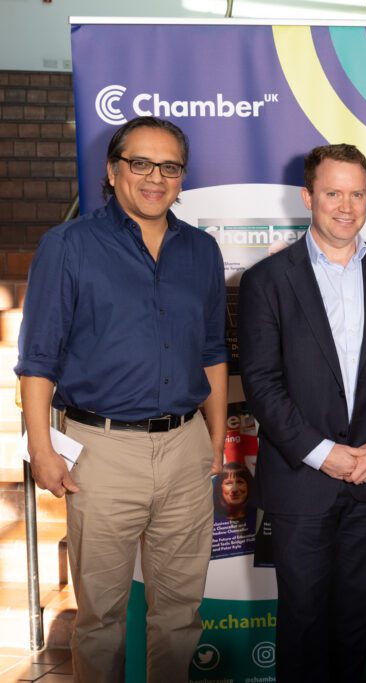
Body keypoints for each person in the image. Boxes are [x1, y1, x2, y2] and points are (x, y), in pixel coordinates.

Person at [16, 116, 228, 683]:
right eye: (140, 163)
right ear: (113, 172)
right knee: (101, 618)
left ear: (182, 178)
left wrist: (215, 438)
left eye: (170, 166)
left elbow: (212, 350)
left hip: (186, 448)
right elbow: (37, 360)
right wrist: (42, 449)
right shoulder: (69, 246)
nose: (155, 177)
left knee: (180, 615)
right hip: (101, 451)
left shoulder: (202, 251)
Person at [239, 143, 366, 682]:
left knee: (355, 621)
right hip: (301, 480)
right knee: (303, 622)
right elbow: (262, 385)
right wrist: (323, 454)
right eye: (333, 193)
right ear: (307, 196)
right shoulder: (267, 281)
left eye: (357, 193)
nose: (345, 205)